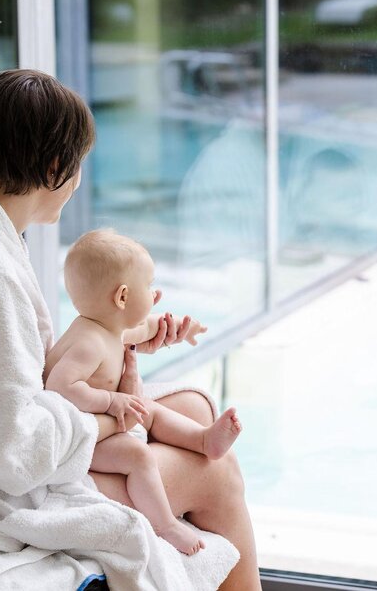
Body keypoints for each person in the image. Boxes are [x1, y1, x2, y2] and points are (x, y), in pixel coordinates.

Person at [0, 69, 260, 589]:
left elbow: (5, 376)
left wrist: (117, 338)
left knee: (194, 409)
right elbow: (3, 449)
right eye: (77, 165)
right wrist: (107, 418)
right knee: (218, 473)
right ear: (55, 167)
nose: (78, 180)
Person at [45, 229, 242, 555]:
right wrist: (111, 400)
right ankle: (165, 525)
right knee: (138, 456)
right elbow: (59, 387)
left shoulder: (108, 327)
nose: (156, 294)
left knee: (150, 410)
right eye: (149, 287)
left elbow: (147, 326)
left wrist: (180, 328)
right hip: (80, 443)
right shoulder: (89, 343)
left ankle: (203, 440)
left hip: (104, 421)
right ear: (122, 298)